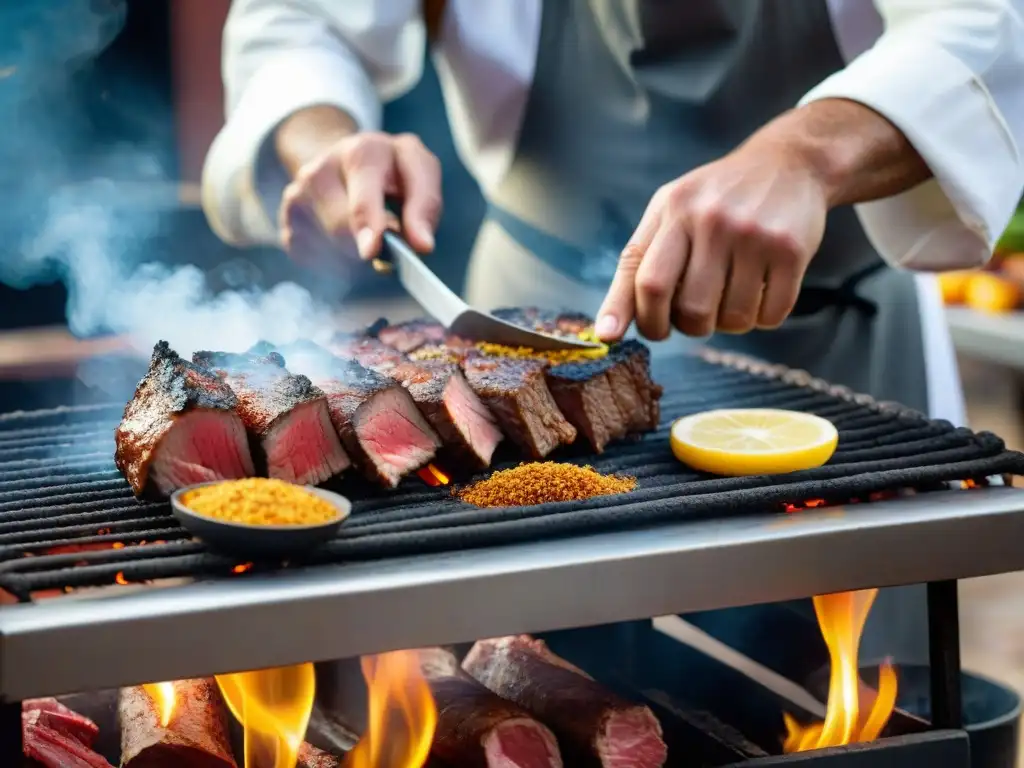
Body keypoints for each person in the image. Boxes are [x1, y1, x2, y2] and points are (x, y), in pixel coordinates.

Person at [202, 1, 1024, 668]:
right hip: (522, 360)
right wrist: (328, 143)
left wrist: (805, 155)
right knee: (535, 674)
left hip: (844, 355)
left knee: (869, 698)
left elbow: (991, 23)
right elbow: (300, 20)